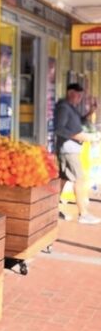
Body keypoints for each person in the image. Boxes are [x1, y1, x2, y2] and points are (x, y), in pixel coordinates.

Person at [54, 82, 99, 224]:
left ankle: (52, 209)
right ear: (70, 93)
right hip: (68, 150)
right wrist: (79, 137)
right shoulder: (63, 108)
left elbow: (79, 122)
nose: (79, 98)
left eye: (81, 96)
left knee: (64, 179)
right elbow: (59, 129)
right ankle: (83, 214)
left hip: (72, 149)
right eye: (77, 95)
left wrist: (91, 112)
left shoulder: (71, 108)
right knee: (79, 180)